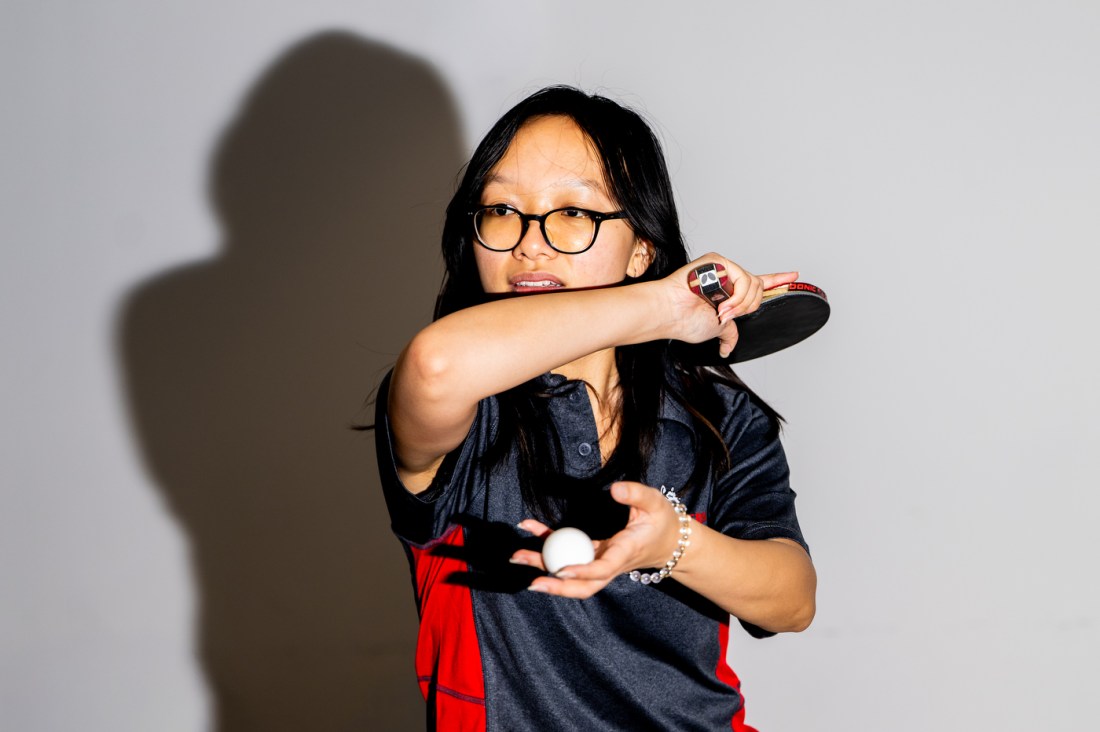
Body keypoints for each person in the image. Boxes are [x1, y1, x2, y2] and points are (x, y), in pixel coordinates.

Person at [373, 85, 816, 731]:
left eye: (573, 212)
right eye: (500, 209)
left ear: (642, 249)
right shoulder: (466, 406)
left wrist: (673, 543)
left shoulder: (715, 414)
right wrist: (664, 306)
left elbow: (792, 600)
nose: (529, 243)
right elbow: (435, 365)